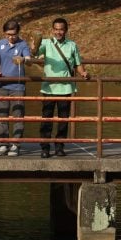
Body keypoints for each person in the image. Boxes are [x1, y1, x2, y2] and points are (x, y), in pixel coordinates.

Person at [34, 17, 90, 157]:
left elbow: (77, 63)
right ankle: (45, 148)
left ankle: (59, 147)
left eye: (61, 29)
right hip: (49, 88)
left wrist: (83, 73)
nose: (58, 32)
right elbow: (35, 53)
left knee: (63, 120)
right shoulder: (46, 43)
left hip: (66, 88)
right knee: (46, 119)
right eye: (56, 29)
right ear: (52, 30)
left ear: (65, 30)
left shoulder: (72, 45)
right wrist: (34, 46)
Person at [0, 19, 31, 156]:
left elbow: (28, 58)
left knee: (18, 116)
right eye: (8, 34)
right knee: (2, 115)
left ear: (18, 33)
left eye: (13, 34)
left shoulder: (22, 44)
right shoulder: (0, 44)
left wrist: (24, 59)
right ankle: (3, 143)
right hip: (2, 85)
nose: (11, 37)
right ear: (4, 33)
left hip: (17, 86)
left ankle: (15, 144)